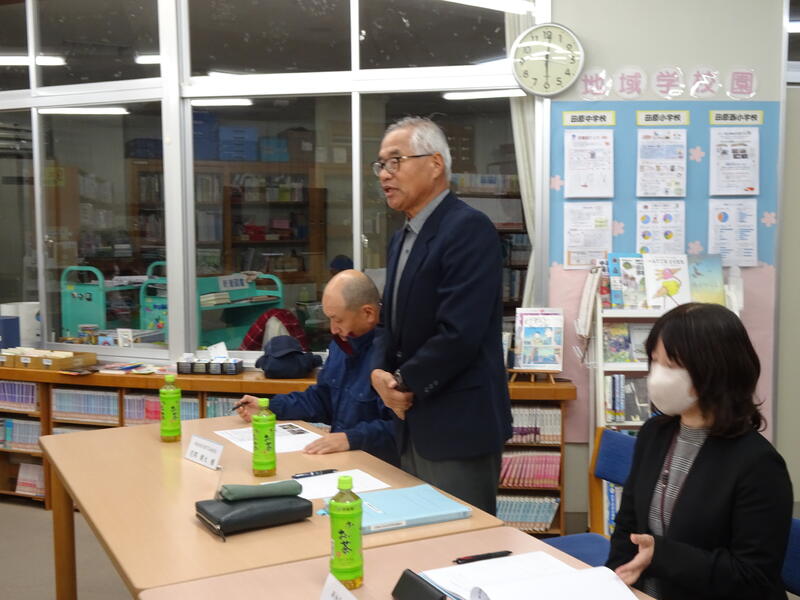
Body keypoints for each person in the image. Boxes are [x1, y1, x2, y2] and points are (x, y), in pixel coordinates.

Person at [369, 116, 512, 515]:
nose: (385, 174)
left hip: (456, 427)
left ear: (435, 164)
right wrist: (378, 373)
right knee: (416, 536)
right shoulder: (401, 237)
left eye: (396, 161)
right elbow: (388, 322)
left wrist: (401, 381)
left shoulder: (468, 228)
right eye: (381, 164)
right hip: (408, 422)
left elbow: (459, 333)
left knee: (460, 543)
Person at [607, 302, 793, 600]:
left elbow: (753, 577)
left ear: (715, 370)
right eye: (654, 361)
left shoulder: (759, 464)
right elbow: (628, 525)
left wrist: (662, 555)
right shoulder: (654, 433)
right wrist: (613, 582)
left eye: (671, 365)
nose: (657, 375)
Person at [236, 269, 398, 466]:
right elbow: (320, 399)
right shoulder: (341, 345)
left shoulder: (394, 355)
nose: (333, 329)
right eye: (329, 319)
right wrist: (269, 407)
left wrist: (350, 438)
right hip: (341, 460)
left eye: (338, 320)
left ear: (368, 313)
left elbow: (404, 429)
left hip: (379, 466)